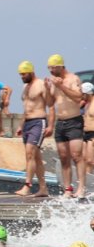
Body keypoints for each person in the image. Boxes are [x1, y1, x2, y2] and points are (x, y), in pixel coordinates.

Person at [46, 54, 86, 198]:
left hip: (74, 121)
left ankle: (81, 187)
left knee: (77, 155)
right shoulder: (54, 81)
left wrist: (60, 86)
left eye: (53, 68)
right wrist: (47, 88)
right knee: (63, 157)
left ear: (60, 67)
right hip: (60, 122)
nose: (50, 71)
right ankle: (68, 189)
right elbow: (50, 103)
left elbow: (78, 98)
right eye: (49, 68)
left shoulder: (72, 79)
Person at [14, 61, 53, 197]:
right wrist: (20, 125)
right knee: (36, 157)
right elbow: (26, 109)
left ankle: (27, 186)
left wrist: (50, 126)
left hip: (38, 122)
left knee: (29, 153)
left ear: (31, 72)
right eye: (20, 75)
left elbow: (50, 105)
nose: (22, 77)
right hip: (27, 123)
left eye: (24, 74)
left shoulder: (41, 84)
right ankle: (43, 188)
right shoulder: (26, 88)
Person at [82, 82, 94, 174]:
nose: (82, 96)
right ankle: (85, 181)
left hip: (92, 134)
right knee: (84, 159)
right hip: (85, 134)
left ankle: (91, 180)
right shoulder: (86, 104)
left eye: (83, 94)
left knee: (90, 160)